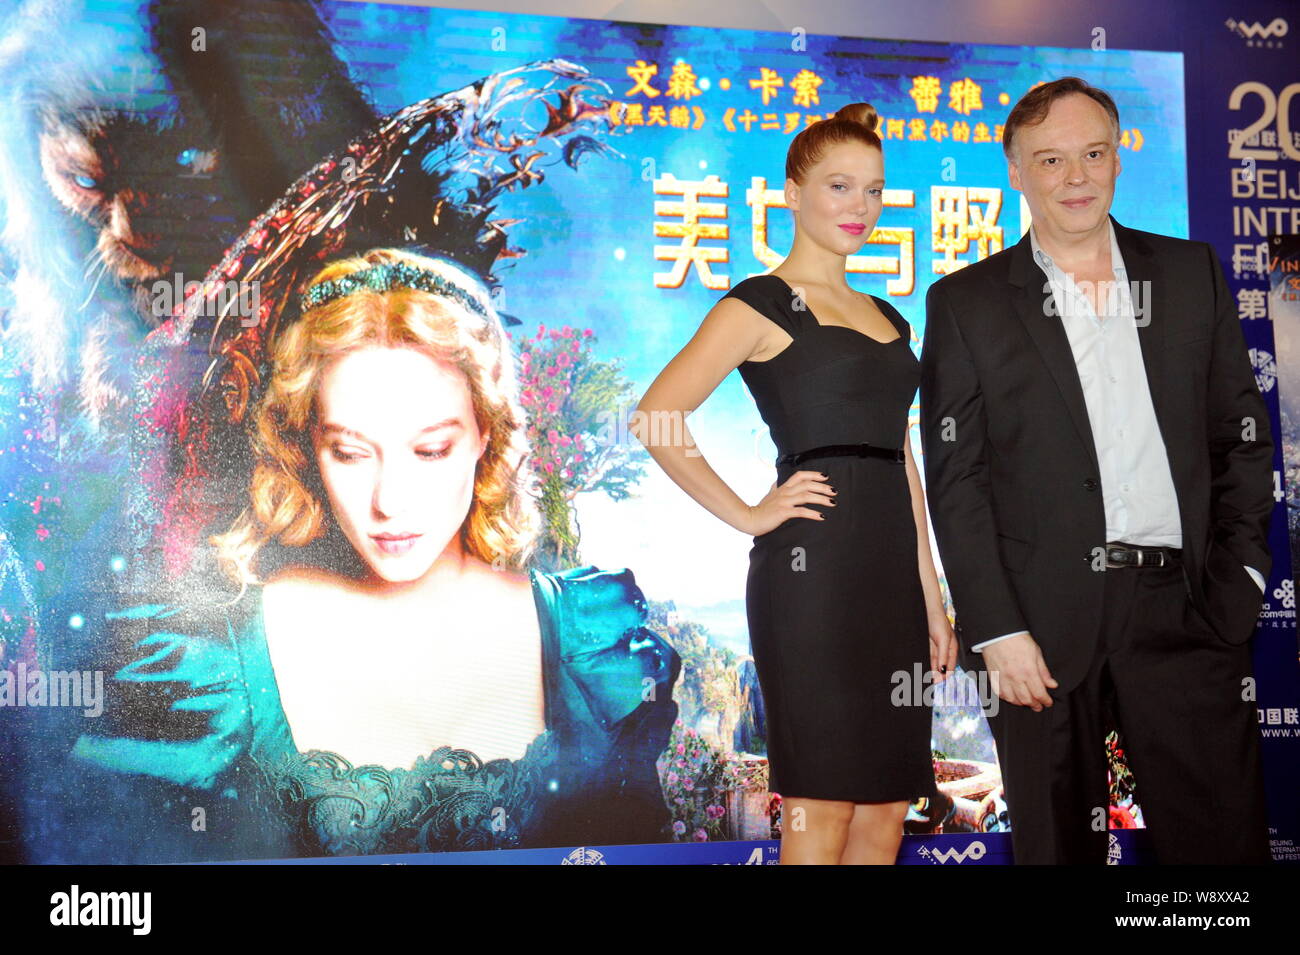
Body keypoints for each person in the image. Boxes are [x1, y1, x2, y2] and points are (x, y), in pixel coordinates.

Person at [61, 248, 680, 861]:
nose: (390, 501)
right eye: (351, 453)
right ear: (308, 443)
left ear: (484, 434)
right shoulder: (214, 663)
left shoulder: (585, 640)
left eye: (432, 449)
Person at [919, 77, 1273, 864]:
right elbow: (957, 479)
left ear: (1118, 160)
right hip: (1036, 630)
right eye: (1050, 159)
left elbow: (1242, 435)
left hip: (1184, 608)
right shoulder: (966, 303)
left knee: (1219, 860)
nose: (1075, 177)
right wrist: (998, 630)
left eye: (1093, 154)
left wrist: (1241, 575)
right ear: (1016, 169)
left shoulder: (1189, 275)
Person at [635, 103, 953, 865]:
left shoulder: (888, 316)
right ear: (792, 194)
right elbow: (657, 416)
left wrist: (932, 594)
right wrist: (750, 513)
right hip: (811, 579)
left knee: (884, 806)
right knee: (821, 803)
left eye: (874, 191)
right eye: (840, 187)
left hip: (894, 584)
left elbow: (900, 458)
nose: (861, 208)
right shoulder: (758, 303)